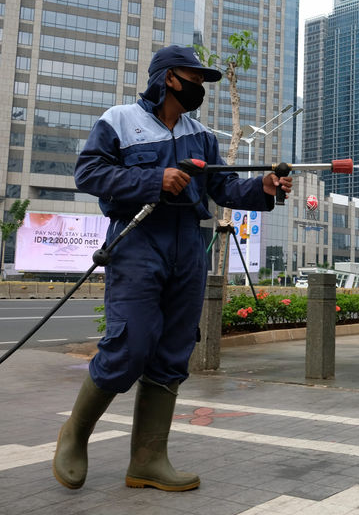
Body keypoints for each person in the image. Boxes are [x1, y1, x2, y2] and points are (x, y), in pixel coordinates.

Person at [53, 45, 292, 493]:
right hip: (138, 239)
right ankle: (74, 435)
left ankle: (148, 459)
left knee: (173, 350)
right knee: (131, 344)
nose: (200, 87)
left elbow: (223, 188)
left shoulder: (201, 136)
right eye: (194, 78)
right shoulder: (120, 120)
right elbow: (88, 174)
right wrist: (152, 180)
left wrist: (262, 187)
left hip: (189, 244)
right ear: (167, 78)